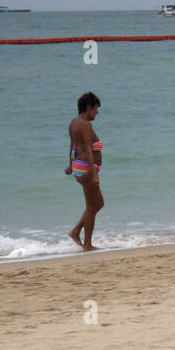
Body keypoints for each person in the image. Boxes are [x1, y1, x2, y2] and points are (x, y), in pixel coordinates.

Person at [66, 91, 104, 250]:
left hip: (79, 166)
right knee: (92, 206)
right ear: (88, 107)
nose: (97, 112)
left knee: (98, 204)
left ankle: (76, 231)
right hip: (87, 168)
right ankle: (87, 244)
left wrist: (70, 164)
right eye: (95, 108)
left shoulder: (74, 123)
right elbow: (88, 150)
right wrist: (94, 173)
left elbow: (73, 146)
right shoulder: (85, 125)